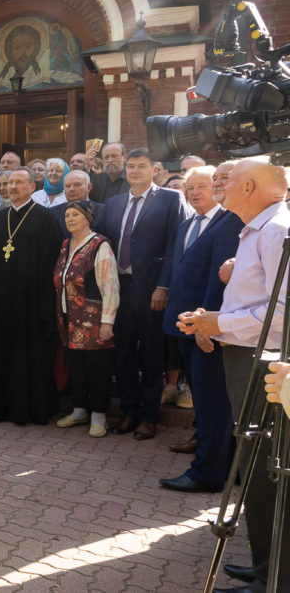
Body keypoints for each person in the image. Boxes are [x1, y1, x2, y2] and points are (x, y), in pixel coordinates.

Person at [177, 157, 290, 593]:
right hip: (247, 356)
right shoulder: (257, 228)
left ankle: (272, 576)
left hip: (262, 361)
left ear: (249, 187)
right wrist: (216, 316)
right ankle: (265, 565)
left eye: (228, 179)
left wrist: (220, 324)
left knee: (265, 468)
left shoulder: (277, 229)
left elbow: (282, 314)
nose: (219, 186)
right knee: (256, 466)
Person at [155, 166, 240, 492]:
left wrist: (207, 323)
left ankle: (206, 474)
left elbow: (220, 282)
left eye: (222, 179)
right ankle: (228, 468)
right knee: (213, 403)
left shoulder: (232, 221)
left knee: (213, 403)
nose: (217, 184)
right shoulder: (221, 219)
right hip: (195, 327)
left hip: (208, 330)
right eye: (213, 179)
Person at [102, 147, 189, 440]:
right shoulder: (113, 203)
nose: (135, 171)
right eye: (131, 166)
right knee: (123, 352)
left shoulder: (169, 199)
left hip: (152, 290)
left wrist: (163, 286)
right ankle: (129, 411)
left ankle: (149, 416)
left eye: (141, 166)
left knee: (151, 354)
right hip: (119, 289)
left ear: (155, 170)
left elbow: (174, 246)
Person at [0, 168, 62, 425]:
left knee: (30, 358)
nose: (12, 187)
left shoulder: (45, 218)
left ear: (32, 187)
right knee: (2, 354)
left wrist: (44, 302)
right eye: (9, 183)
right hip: (2, 303)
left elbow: (51, 263)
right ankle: (0, 406)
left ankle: (30, 409)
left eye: (18, 182)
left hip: (31, 303)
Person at [53, 201, 119, 438]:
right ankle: (79, 410)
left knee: (97, 368)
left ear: (88, 218)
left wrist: (107, 322)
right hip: (69, 319)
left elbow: (110, 285)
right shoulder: (65, 244)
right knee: (77, 366)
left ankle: (100, 416)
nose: (70, 219)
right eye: (67, 215)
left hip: (93, 320)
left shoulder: (99, 245)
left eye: (76, 215)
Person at [50, 170, 103, 238]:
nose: (71, 189)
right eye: (67, 186)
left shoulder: (104, 211)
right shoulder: (53, 213)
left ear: (89, 187)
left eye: (77, 185)